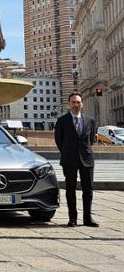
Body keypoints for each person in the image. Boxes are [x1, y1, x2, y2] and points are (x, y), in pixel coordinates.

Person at [54, 92, 98, 227]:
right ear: (69, 104)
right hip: (69, 160)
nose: (76, 105)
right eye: (73, 102)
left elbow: (91, 139)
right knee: (70, 190)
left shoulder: (90, 120)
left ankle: (87, 218)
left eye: (78, 102)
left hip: (87, 159)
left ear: (82, 104)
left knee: (88, 190)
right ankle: (72, 218)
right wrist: (67, 152)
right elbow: (59, 140)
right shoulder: (62, 121)